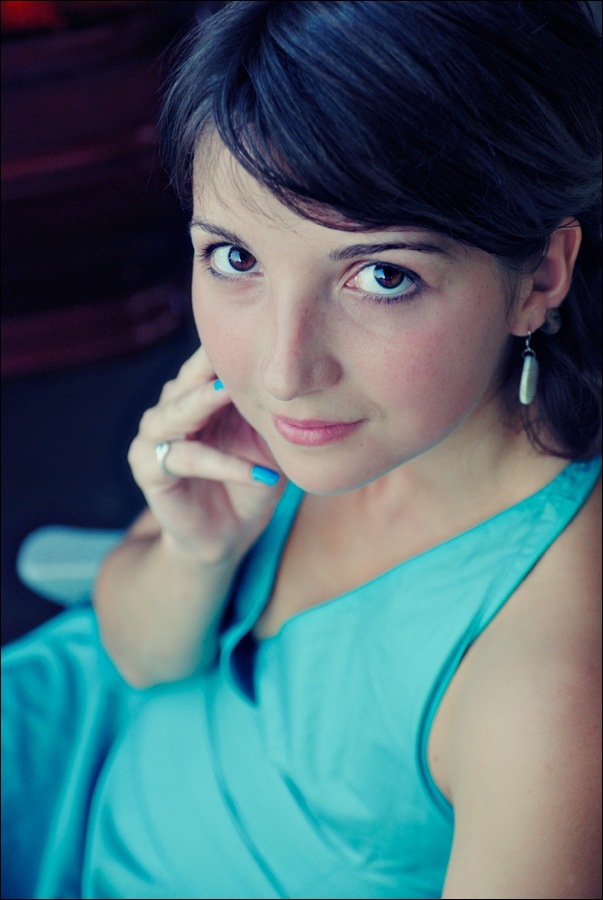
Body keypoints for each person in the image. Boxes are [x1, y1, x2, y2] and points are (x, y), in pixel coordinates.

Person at [2, 2, 601, 898]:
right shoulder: (306, 423)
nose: (281, 372)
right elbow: (135, 656)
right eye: (234, 258)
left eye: (381, 276)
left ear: (539, 276)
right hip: (77, 755)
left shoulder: (547, 693)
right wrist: (196, 552)